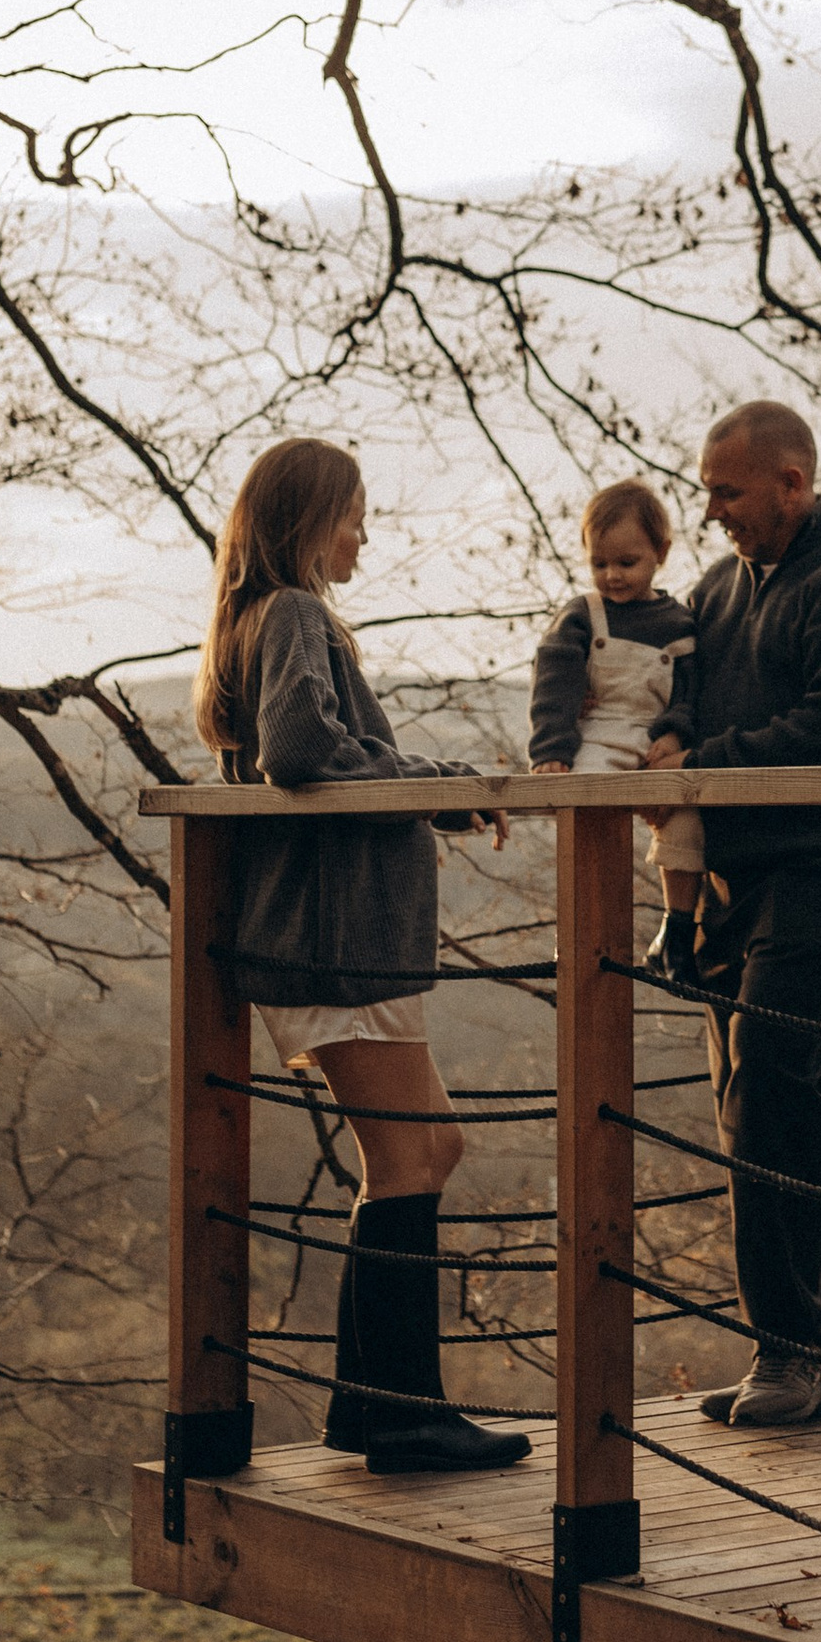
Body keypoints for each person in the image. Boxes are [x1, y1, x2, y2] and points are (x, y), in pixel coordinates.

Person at [194, 435, 529, 1479]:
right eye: (352, 515)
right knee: (410, 1158)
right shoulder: (291, 614)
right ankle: (399, 1417)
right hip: (334, 939)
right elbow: (303, 752)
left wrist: (434, 783)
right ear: (306, 519)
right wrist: (434, 781)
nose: (364, 534)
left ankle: (377, 1408)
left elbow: (323, 749)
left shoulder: (259, 620)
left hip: (339, 939)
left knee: (427, 1154)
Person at [645, 401, 821, 1429]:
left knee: (769, 1076)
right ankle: (808, 1349)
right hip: (734, 877)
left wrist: (703, 766)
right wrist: (667, 742)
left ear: (792, 485)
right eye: (709, 489)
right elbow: (687, 697)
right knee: (756, 1097)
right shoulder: (720, 588)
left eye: (726, 490)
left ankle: (801, 1346)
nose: (710, 509)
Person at [527, 478, 706, 979]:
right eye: (599, 563)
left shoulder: (682, 623)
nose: (612, 576)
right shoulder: (584, 615)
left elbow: (692, 692)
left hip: (654, 743)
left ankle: (679, 926)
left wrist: (673, 733)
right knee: (588, 805)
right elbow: (555, 681)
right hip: (598, 736)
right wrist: (552, 748)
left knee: (688, 816)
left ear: (661, 553)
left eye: (627, 563)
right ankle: (585, 924)